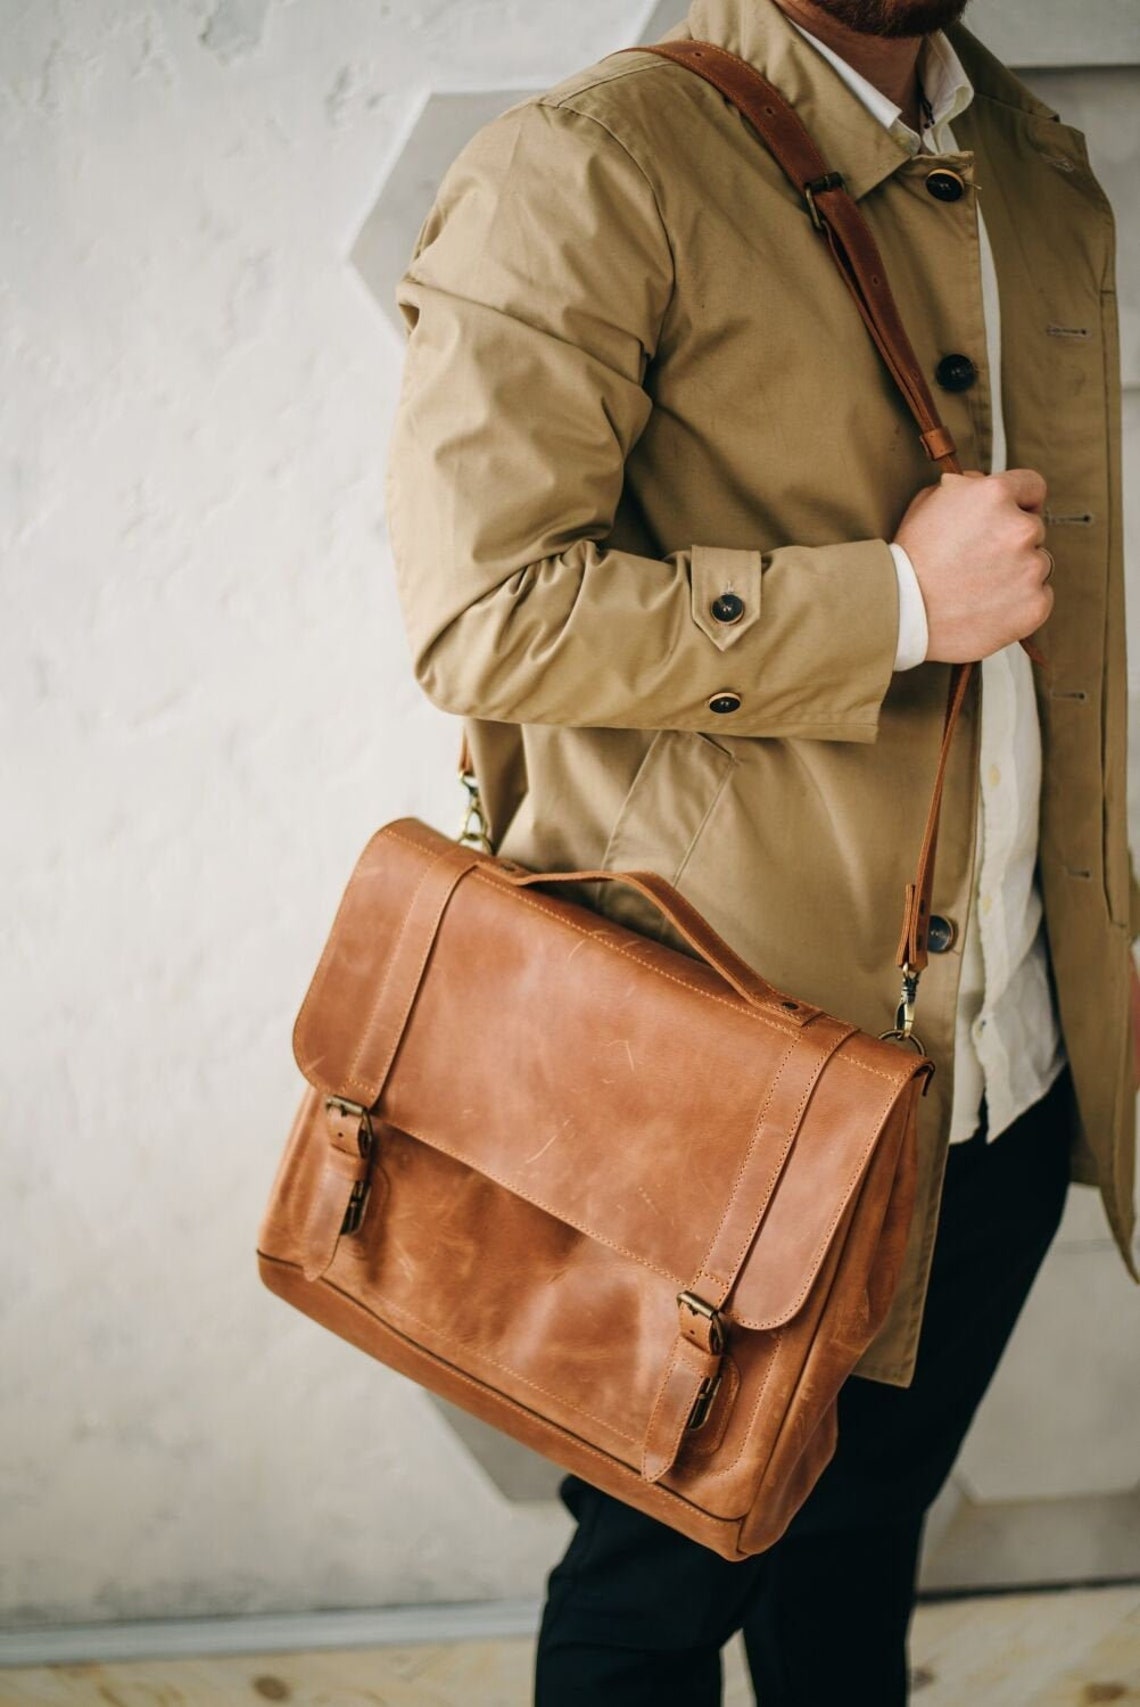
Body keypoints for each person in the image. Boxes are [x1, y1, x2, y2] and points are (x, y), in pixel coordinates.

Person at [385, 0, 1140, 1698]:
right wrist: (891, 605)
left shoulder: (1031, 160)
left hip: (1005, 1068)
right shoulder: (587, 166)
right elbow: (480, 611)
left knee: (861, 1548)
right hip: (732, 1082)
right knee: (654, 1596)